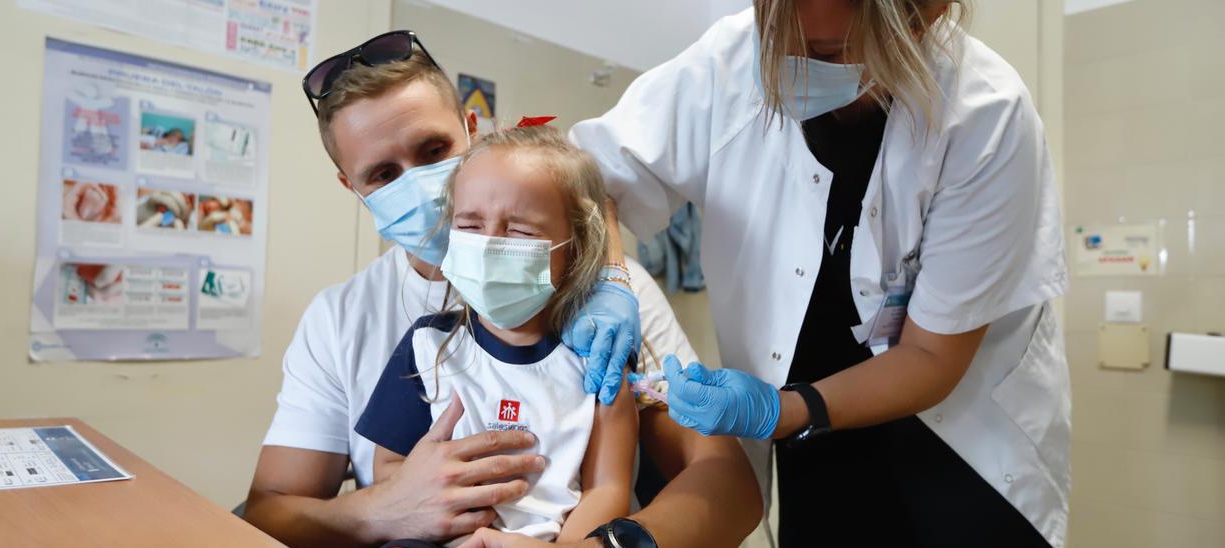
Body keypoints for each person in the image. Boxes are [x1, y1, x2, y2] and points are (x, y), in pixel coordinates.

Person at [570, 1, 1071, 547]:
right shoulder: (725, 61)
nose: (788, 65)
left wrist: (780, 409)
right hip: (810, 447)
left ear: (921, 22)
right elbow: (587, 177)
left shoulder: (985, 113)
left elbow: (931, 357)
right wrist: (611, 281)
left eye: (825, 54)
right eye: (776, 36)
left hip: (963, 449)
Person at [243, 31, 762, 548]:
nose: (422, 184)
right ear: (350, 186)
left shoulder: (609, 298)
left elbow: (732, 489)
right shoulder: (342, 320)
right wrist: (386, 510)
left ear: (473, 129)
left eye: (434, 149)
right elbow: (269, 511)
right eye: (383, 174)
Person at [360, 125, 638, 546]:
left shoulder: (600, 360)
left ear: (577, 244)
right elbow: (390, 469)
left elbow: (608, 489)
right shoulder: (427, 348)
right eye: (470, 226)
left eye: (520, 231)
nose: (488, 245)